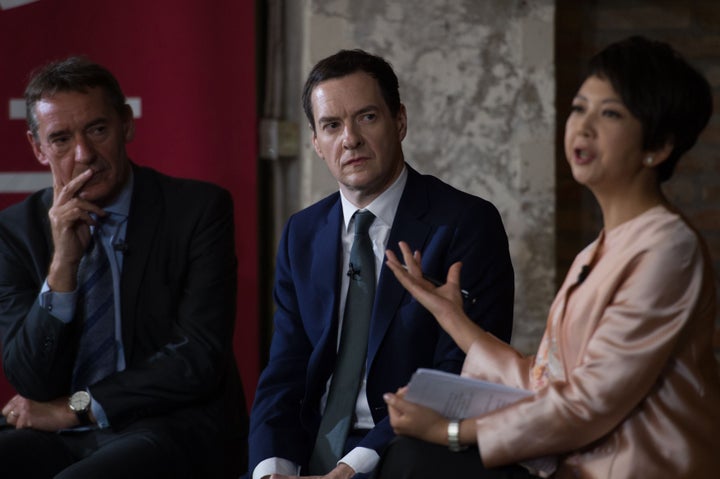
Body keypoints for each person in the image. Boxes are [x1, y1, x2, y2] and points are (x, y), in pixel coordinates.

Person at [375, 36, 720, 479]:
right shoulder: (597, 250)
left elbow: (587, 403)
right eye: (579, 108)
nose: (583, 126)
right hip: (578, 464)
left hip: (634, 468)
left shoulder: (669, 249)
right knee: (409, 456)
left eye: (610, 113)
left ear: (659, 146)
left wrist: (453, 431)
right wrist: (453, 319)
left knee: (417, 459)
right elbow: (546, 383)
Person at [247, 49, 515, 479]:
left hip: (404, 451)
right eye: (332, 125)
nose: (349, 138)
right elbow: (285, 371)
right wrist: (270, 468)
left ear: (400, 122)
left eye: (367, 117)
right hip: (310, 446)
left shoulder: (464, 223)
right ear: (316, 142)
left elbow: (457, 374)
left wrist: (350, 469)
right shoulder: (302, 232)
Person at [0, 56, 248, 478]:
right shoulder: (14, 231)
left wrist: (77, 408)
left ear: (126, 125)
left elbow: (197, 358)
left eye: (98, 130)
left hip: (170, 425)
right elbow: (31, 380)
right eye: (61, 139)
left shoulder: (198, 210)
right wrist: (63, 264)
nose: (84, 155)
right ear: (38, 148)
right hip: (60, 432)